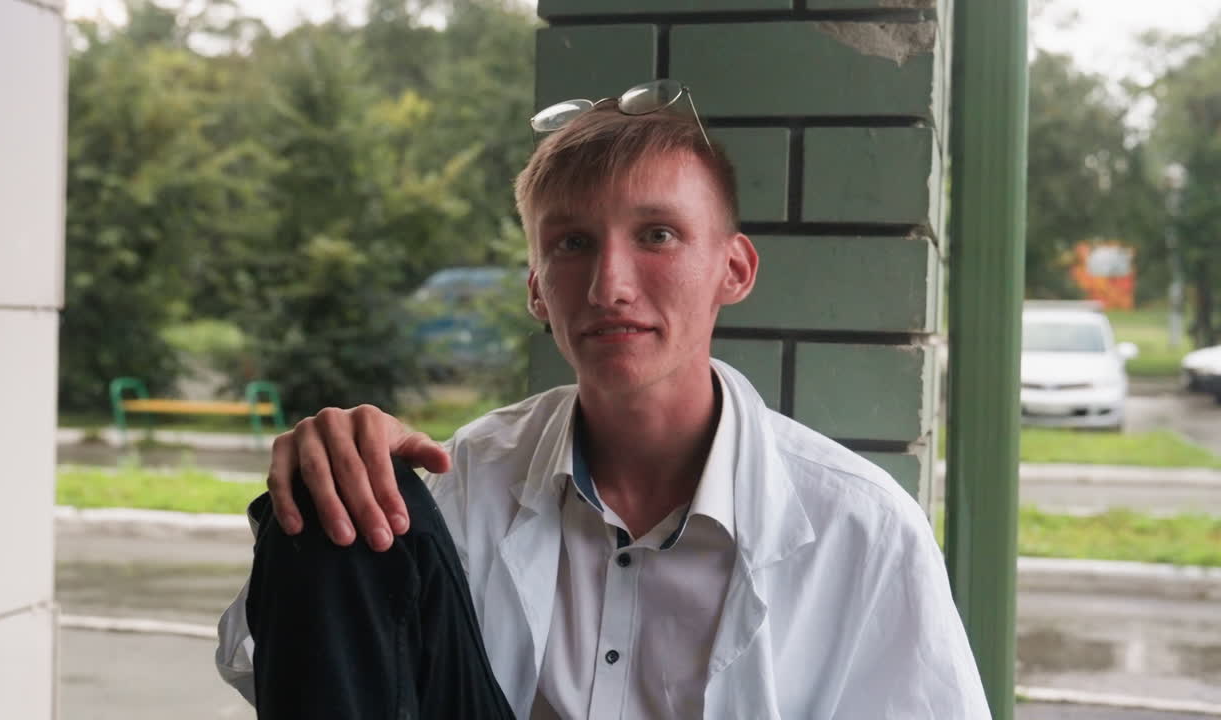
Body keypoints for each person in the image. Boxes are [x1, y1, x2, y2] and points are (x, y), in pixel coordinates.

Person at [217, 79, 991, 719]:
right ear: (536, 293)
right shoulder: (471, 475)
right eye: (571, 244)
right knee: (348, 504)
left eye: (657, 235)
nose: (609, 286)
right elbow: (278, 667)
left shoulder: (860, 524)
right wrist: (337, 464)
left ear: (734, 269)